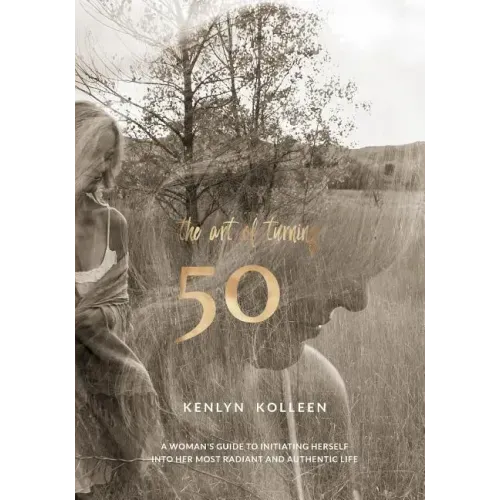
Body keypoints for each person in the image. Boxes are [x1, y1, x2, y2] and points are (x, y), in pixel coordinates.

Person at [72, 101, 162, 499]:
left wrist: (100, 317)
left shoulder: (113, 223)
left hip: (97, 372)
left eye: (110, 156)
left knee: (137, 389)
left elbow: (120, 307)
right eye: (95, 152)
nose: (103, 166)